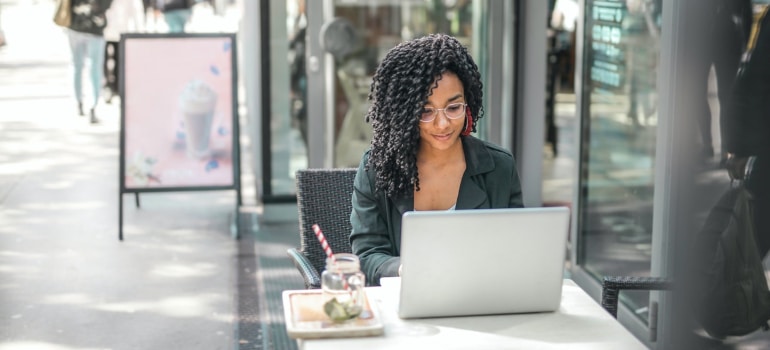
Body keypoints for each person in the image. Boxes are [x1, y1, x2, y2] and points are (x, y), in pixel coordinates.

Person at [349, 34, 524, 286]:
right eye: (425, 111)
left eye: (453, 108)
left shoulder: (499, 168)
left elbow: (516, 251)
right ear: (405, 114)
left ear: (468, 104)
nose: (442, 124)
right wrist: (403, 268)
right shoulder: (377, 168)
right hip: (404, 304)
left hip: (481, 300)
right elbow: (366, 256)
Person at [66, 0, 114, 123]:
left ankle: (81, 102)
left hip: (77, 24)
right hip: (92, 26)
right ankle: (92, 105)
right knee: (94, 68)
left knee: (79, 66)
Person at [103, 0, 145, 103]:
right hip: (105, 30)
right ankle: (108, 85)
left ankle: (116, 87)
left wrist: (138, 30)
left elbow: (135, 9)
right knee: (104, 60)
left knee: (119, 60)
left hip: (120, 31)